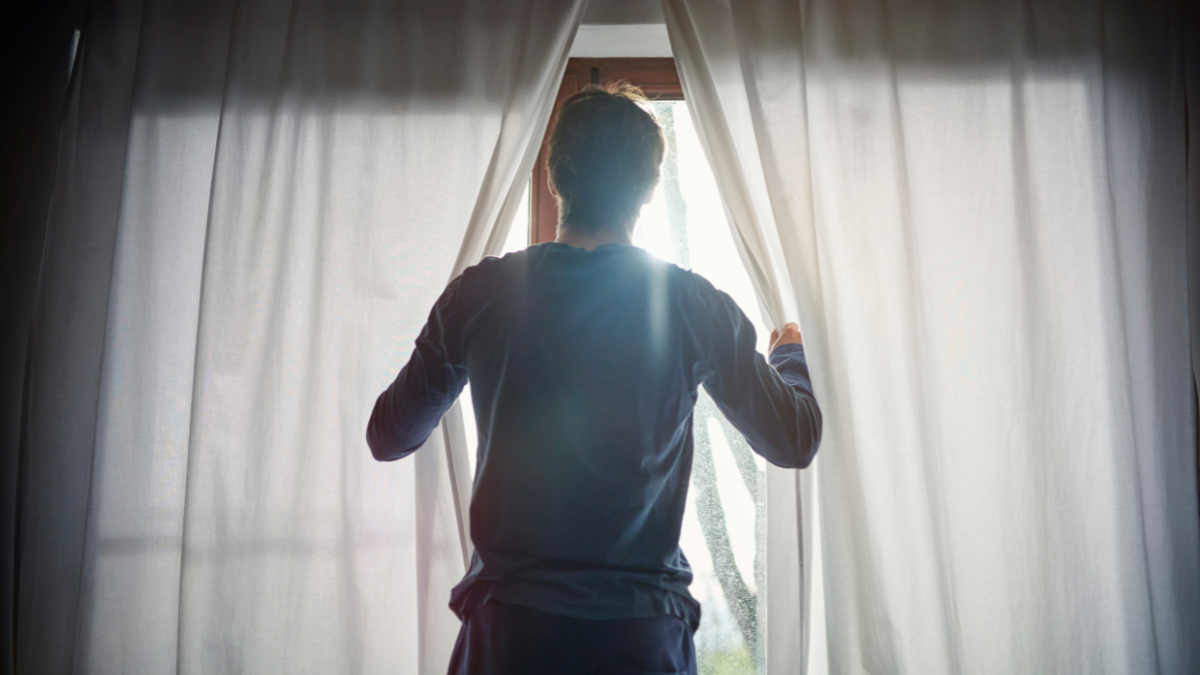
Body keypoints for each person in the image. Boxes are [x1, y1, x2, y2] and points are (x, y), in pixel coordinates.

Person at [366, 83, 822, 675]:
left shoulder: (479, 295)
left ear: (556, 178)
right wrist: (790, 354)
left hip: (510, 635)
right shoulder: (690, 303)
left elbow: (389, 436)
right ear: (650, 188)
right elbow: (794, 439)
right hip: (638, 637)